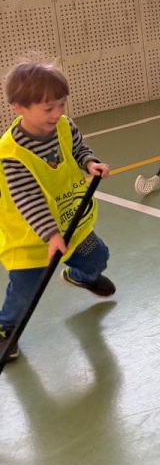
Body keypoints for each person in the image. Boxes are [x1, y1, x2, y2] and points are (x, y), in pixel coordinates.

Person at [0, 59, 113, 361]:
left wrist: (89, 162)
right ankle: (6, 328)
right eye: (48, 108)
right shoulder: (12, 154)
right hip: (30, 238)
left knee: (98, 257)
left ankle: (80, 276)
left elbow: (78, 148)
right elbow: (28, 198)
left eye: (61, 104)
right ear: (19, 108)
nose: (57, 113)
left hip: (70, 223)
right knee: (25, 290)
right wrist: (50, 235)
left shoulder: (63, 125)